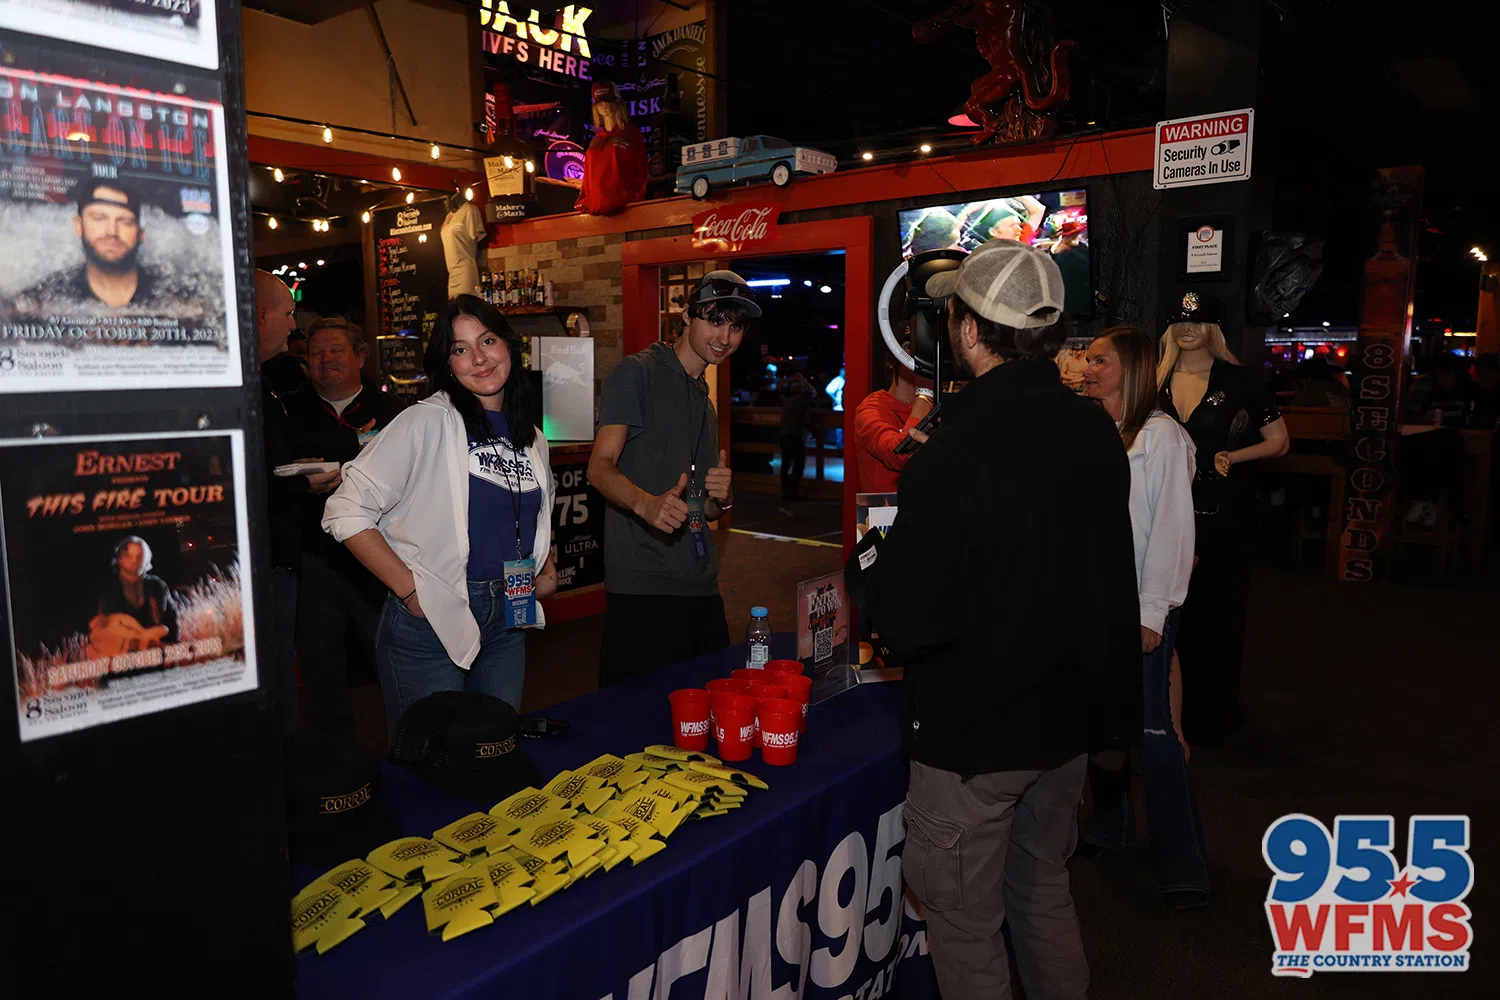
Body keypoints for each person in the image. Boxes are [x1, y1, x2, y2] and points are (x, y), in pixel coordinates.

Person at [867, 240, 1139, 1000]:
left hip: (977, 736)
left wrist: (871, 573)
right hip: (1068, 723)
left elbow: (909, 621)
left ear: (965, 327)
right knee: (1042, 888)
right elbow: (1104, 576)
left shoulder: (955, 448)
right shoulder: (1095, 429)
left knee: (964, 925)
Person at [323, 295, 557, 740]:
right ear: (448, 365)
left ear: (509, 345)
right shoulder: (425, 422)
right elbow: (344, 509)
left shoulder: (531, 437)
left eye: (487, 341)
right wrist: (412, 592)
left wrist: (545, 562)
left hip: (509, 614)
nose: (479, 358)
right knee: (432, 757)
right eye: (460, 349)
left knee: (496, 748)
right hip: (431, 617)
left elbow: (533, 510)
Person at [1078, 326, 1209, 909]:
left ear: (1130, 369)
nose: (1087, 367)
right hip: (1096, 603)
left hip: (1141, 606)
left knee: (1155, 733)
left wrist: (1153, 610)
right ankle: (1111, 828)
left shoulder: (1162, 437)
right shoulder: (1095, 432)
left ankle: (1185, 864)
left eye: (1099, 360)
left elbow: (1174, 531)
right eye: (1087, 358)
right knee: (1101, 726)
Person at [589, 271, 752, 687]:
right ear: (687, 316)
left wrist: (722, 499)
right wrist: (645, 504)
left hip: (700, 582)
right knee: (636, 714)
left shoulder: (704, 400)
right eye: (715, 321)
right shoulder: (638, 373)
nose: (725, 337)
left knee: (708, 709)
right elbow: (599, 466)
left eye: (735, 327)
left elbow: (703, 508)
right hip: (642, 582)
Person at [1157, 292, 1288, 746]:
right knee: (1164, 612)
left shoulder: (1240, 380)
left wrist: (1234, 455)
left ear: (1213, 328)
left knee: (1215, 611)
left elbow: (1279, 441)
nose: (1188, 329)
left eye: (1198, 321)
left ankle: (1211, 715)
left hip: (1219, 512)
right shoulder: (1154, 379)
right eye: (1180, 321)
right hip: (1164, 510)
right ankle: (1162, 715)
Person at [284, 316, 404, 735]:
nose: (325, 359)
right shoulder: (288, 408)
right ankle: (333, 756)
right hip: (314, 558)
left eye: (336, 350)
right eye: (316, 353)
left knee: (393, 657)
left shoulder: (395, 410)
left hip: (380, 557)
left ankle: (412, 742)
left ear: (360, 356)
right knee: (320, 668)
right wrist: (353, 445)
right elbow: (279, 467)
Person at [254, 270, 338, 734]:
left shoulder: (259, 379)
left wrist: (295, 468)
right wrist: (304, 485)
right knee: (273, 681)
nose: (293, 325)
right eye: (287, 314)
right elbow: (247, 480)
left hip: (280, 554)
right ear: (260, 315)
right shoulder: (244, 383)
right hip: (264, 559)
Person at [13, 181, 198, 317]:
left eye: (124, 221)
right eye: (99, 218)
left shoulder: (176, 299)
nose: (111, 232)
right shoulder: (45, 299)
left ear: (141, 233)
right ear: (78, 225)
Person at [853, 342, 934, 493]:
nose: (917, 353)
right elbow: (899, 455)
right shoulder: (871, 409)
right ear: (891, 359)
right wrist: (925, 393)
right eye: (908, 346)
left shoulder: (935, 408)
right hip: (888, 507)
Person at [89, 537, 178, 657]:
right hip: (120, 658)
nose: (134, 560)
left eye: (139, 556)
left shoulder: (157, 586)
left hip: (155, 655)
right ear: (119, 559)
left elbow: (171, 620)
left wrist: (171, 649)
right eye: (128, 556)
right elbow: (91, 626)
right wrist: (92, 623)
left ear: (147, 558)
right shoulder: (106, 587)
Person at [777, 372, 819, 505]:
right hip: (796, 436)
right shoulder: (802, 402)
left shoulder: (786, 401)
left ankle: (785, 492)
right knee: (798, 465)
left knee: (785, 464)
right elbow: (807, 419)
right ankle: (793, 492)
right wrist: (802, 379)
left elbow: (779, 387)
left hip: (784, 436)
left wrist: (789, 379)